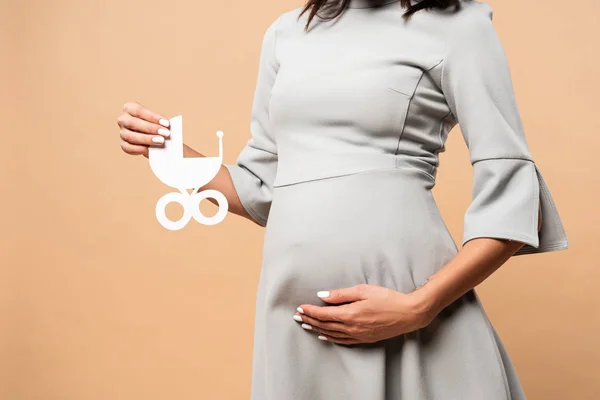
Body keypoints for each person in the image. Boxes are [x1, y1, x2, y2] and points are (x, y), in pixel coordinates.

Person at [116, 0, 569, 398]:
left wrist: (417, 308)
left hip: (406, 302)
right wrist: (170, 154)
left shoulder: (459, 24)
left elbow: (512, 186)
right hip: (295, 314)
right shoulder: (287, 33)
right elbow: (263, 189)